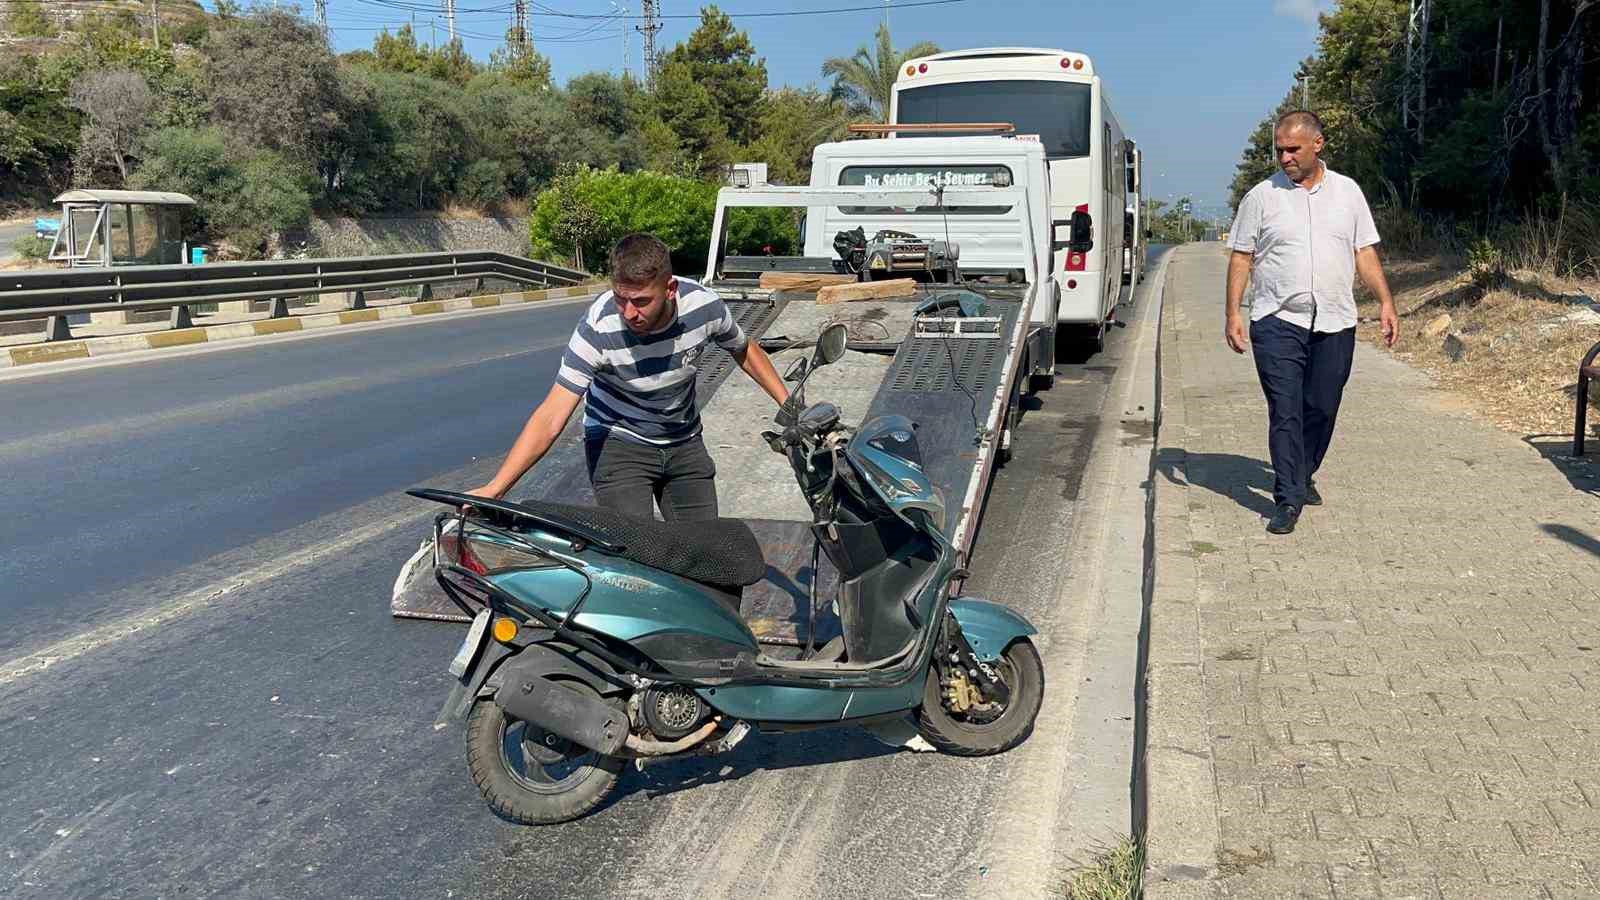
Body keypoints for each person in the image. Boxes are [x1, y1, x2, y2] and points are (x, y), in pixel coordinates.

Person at [467, 233, 789, 520]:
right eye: (621, 299)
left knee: (704, 554)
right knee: (636, 555)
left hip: (683, 438)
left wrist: (787, 404)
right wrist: (496, 487)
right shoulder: (599, 326)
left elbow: (744, 349)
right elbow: (552, 416)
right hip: (618, 442)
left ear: (670, 289)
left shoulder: (704, 307)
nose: (629, 313)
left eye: (641, 301)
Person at [1224, 110, 1400, 535]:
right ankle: (1287, 498)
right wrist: (1232, 311)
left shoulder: (1348, 193)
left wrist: (1386, 301)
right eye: (1279, 149)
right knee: (1285, 410)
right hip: (1277, 320)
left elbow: (1364, 252)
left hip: (1335, 320)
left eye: (1293, 149)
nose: (1284, 157)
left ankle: (1303, 473)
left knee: (1321, 406)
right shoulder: (1261, 198)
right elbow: (1242, 256)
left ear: (1317, 145)